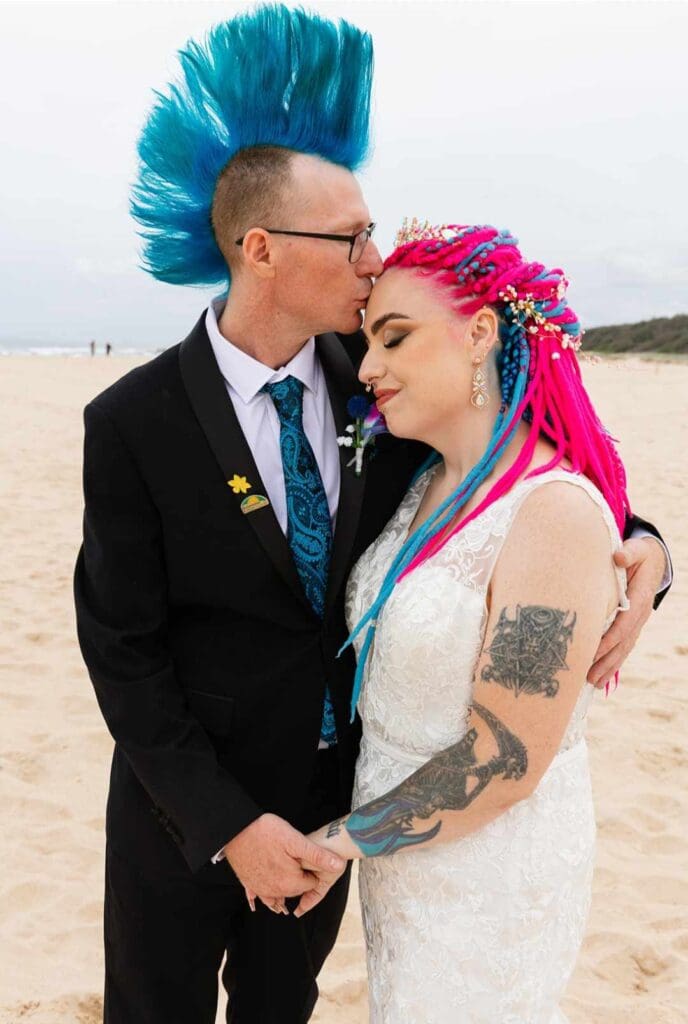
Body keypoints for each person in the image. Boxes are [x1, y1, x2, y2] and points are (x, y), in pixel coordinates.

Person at [73, 6, 670, 1023]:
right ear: (260, 248)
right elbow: (122, 651)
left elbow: (533, 479)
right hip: (186, 817)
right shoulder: (132, 421)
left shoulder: (384, 385)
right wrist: (228, 824)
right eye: (351, 238)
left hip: (336, 801)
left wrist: (649, 547)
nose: (371, 256)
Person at [299, 221, 665, 1021]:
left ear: (479, 334)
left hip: (491, 868)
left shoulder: (555, 512)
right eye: (366, 341)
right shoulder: (425, 477)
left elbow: (506, 756)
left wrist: (339, 842)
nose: (368, 367)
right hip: (407, 863)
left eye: (395, 338)